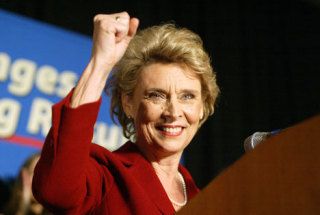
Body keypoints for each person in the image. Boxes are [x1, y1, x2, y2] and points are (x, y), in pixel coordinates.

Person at [32, 11, 219, 214]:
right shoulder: (108, 175)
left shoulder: (207, 199)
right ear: (128, 102)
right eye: (156, 95)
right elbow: (57, 191)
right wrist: (100, 64)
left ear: (202, 107)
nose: (173, 112)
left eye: (187, 96)